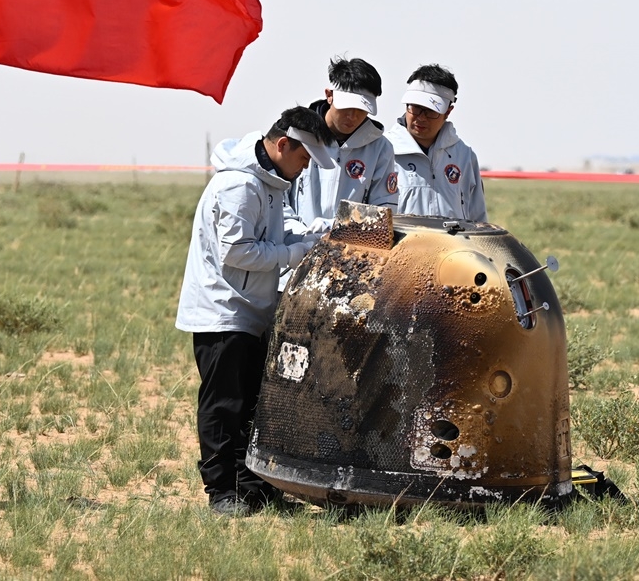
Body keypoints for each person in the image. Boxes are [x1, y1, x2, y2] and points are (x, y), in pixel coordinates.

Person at [175, 106, 338, 517]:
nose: (303, 170)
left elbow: (280, 232)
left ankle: (252, 489)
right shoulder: (240, 187)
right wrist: (294, 253)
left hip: (250, 311)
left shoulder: (271, 183)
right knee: (224, 405)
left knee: (251, 403)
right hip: (223, 311)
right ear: (282, 145)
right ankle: (221, 492)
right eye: (303, 159)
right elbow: (237, 251)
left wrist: (317, 232)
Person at [287, 57, 397, 234]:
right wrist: (296, 232)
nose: (352, 116)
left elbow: (384, 212)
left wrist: (339, 224)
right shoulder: (297, 134)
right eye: (346, 107)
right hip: (292, 249)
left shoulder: (380, 148)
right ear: (329, 95)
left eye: (362, 109)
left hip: (349, 254)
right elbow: (277, 197)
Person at [383, 64, 487, 222]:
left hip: (453, 246)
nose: (421, 118)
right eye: (416, 108)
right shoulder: (383, 151)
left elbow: (478, 217)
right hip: (401, 246)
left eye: (431, 111)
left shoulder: (464, 155)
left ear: (448, 112)